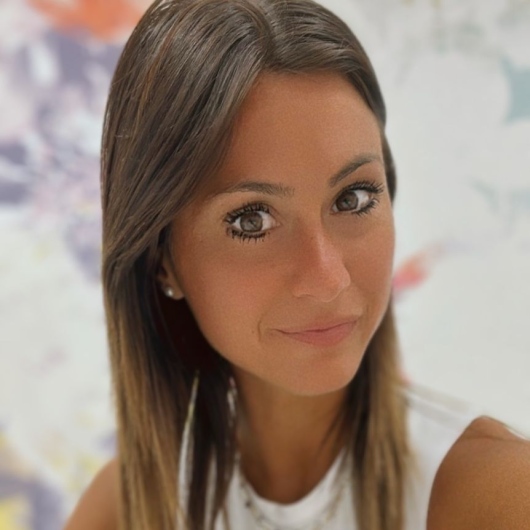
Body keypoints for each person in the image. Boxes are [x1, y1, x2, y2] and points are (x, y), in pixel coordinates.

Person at [63, 0, 530, 529]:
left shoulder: (500, 499)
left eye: (353, 198)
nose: (328, 278)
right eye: (252, 220)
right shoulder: (125, 509)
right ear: (161, 259)